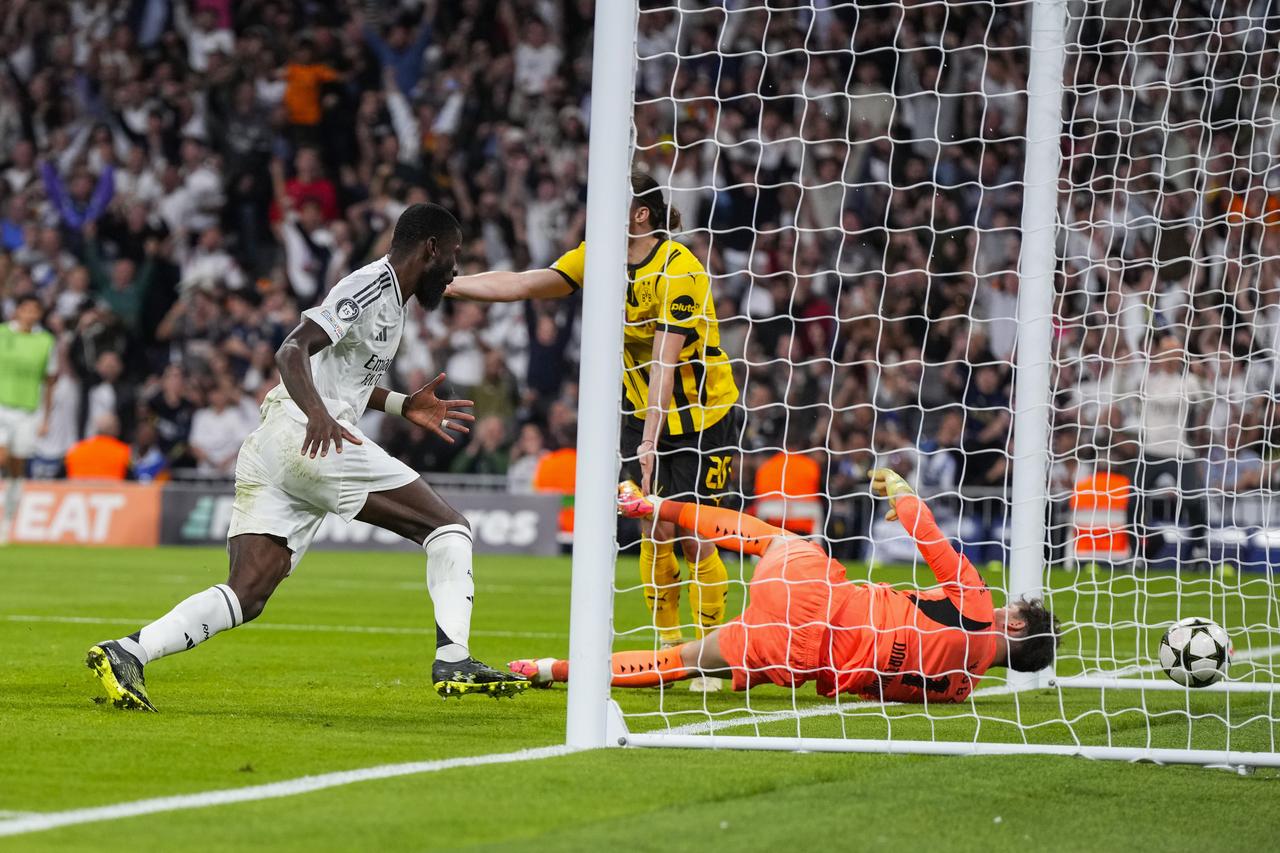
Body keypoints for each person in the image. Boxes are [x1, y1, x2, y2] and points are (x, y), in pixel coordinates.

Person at [87, 204, 528, 711]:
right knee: (447, 528)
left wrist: (403, 404)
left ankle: (127, 652)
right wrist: (318, 416)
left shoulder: (394, 301)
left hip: (277, 446)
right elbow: (291, 350)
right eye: (453, 255)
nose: (455, 269)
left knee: (247, 593)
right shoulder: (369, 286)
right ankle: (454, 658)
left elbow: (344, 377)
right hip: (311, 438)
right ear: (429, 248)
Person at [447, 172, 741, 691]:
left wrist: (651, 439)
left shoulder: (681, 270)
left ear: (640, 214)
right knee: (653, 528)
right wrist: (443, 283)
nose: (590, 211)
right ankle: (671, 654)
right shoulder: (598, 256)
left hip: (702, 416)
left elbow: (665, 365)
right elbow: (519, 284)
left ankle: (712, 657)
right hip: (638, 415)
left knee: (693, 534)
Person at [510, 472, 1060, 703]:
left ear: (1014, 624)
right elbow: (869, 690)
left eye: (1014, 606)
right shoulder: (957, 691)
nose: (1006, 601)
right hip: (800, 658)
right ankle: (547, 669)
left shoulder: (980, 607)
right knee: (679, 662)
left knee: (768, 538)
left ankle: (651, 505)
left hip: (817, 599)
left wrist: (901, 491)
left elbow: (934, 543)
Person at [0, 295, 56, 477]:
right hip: (1, 406)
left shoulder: (46, 341)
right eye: (26, 309)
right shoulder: (2, 333)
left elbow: (49, 382)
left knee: (17, 464)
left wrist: (46, 419)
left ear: (40, 314)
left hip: (27, 411)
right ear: (17, 311)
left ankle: (12, 502)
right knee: (1, 455)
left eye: (35, 311)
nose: (30, 315)